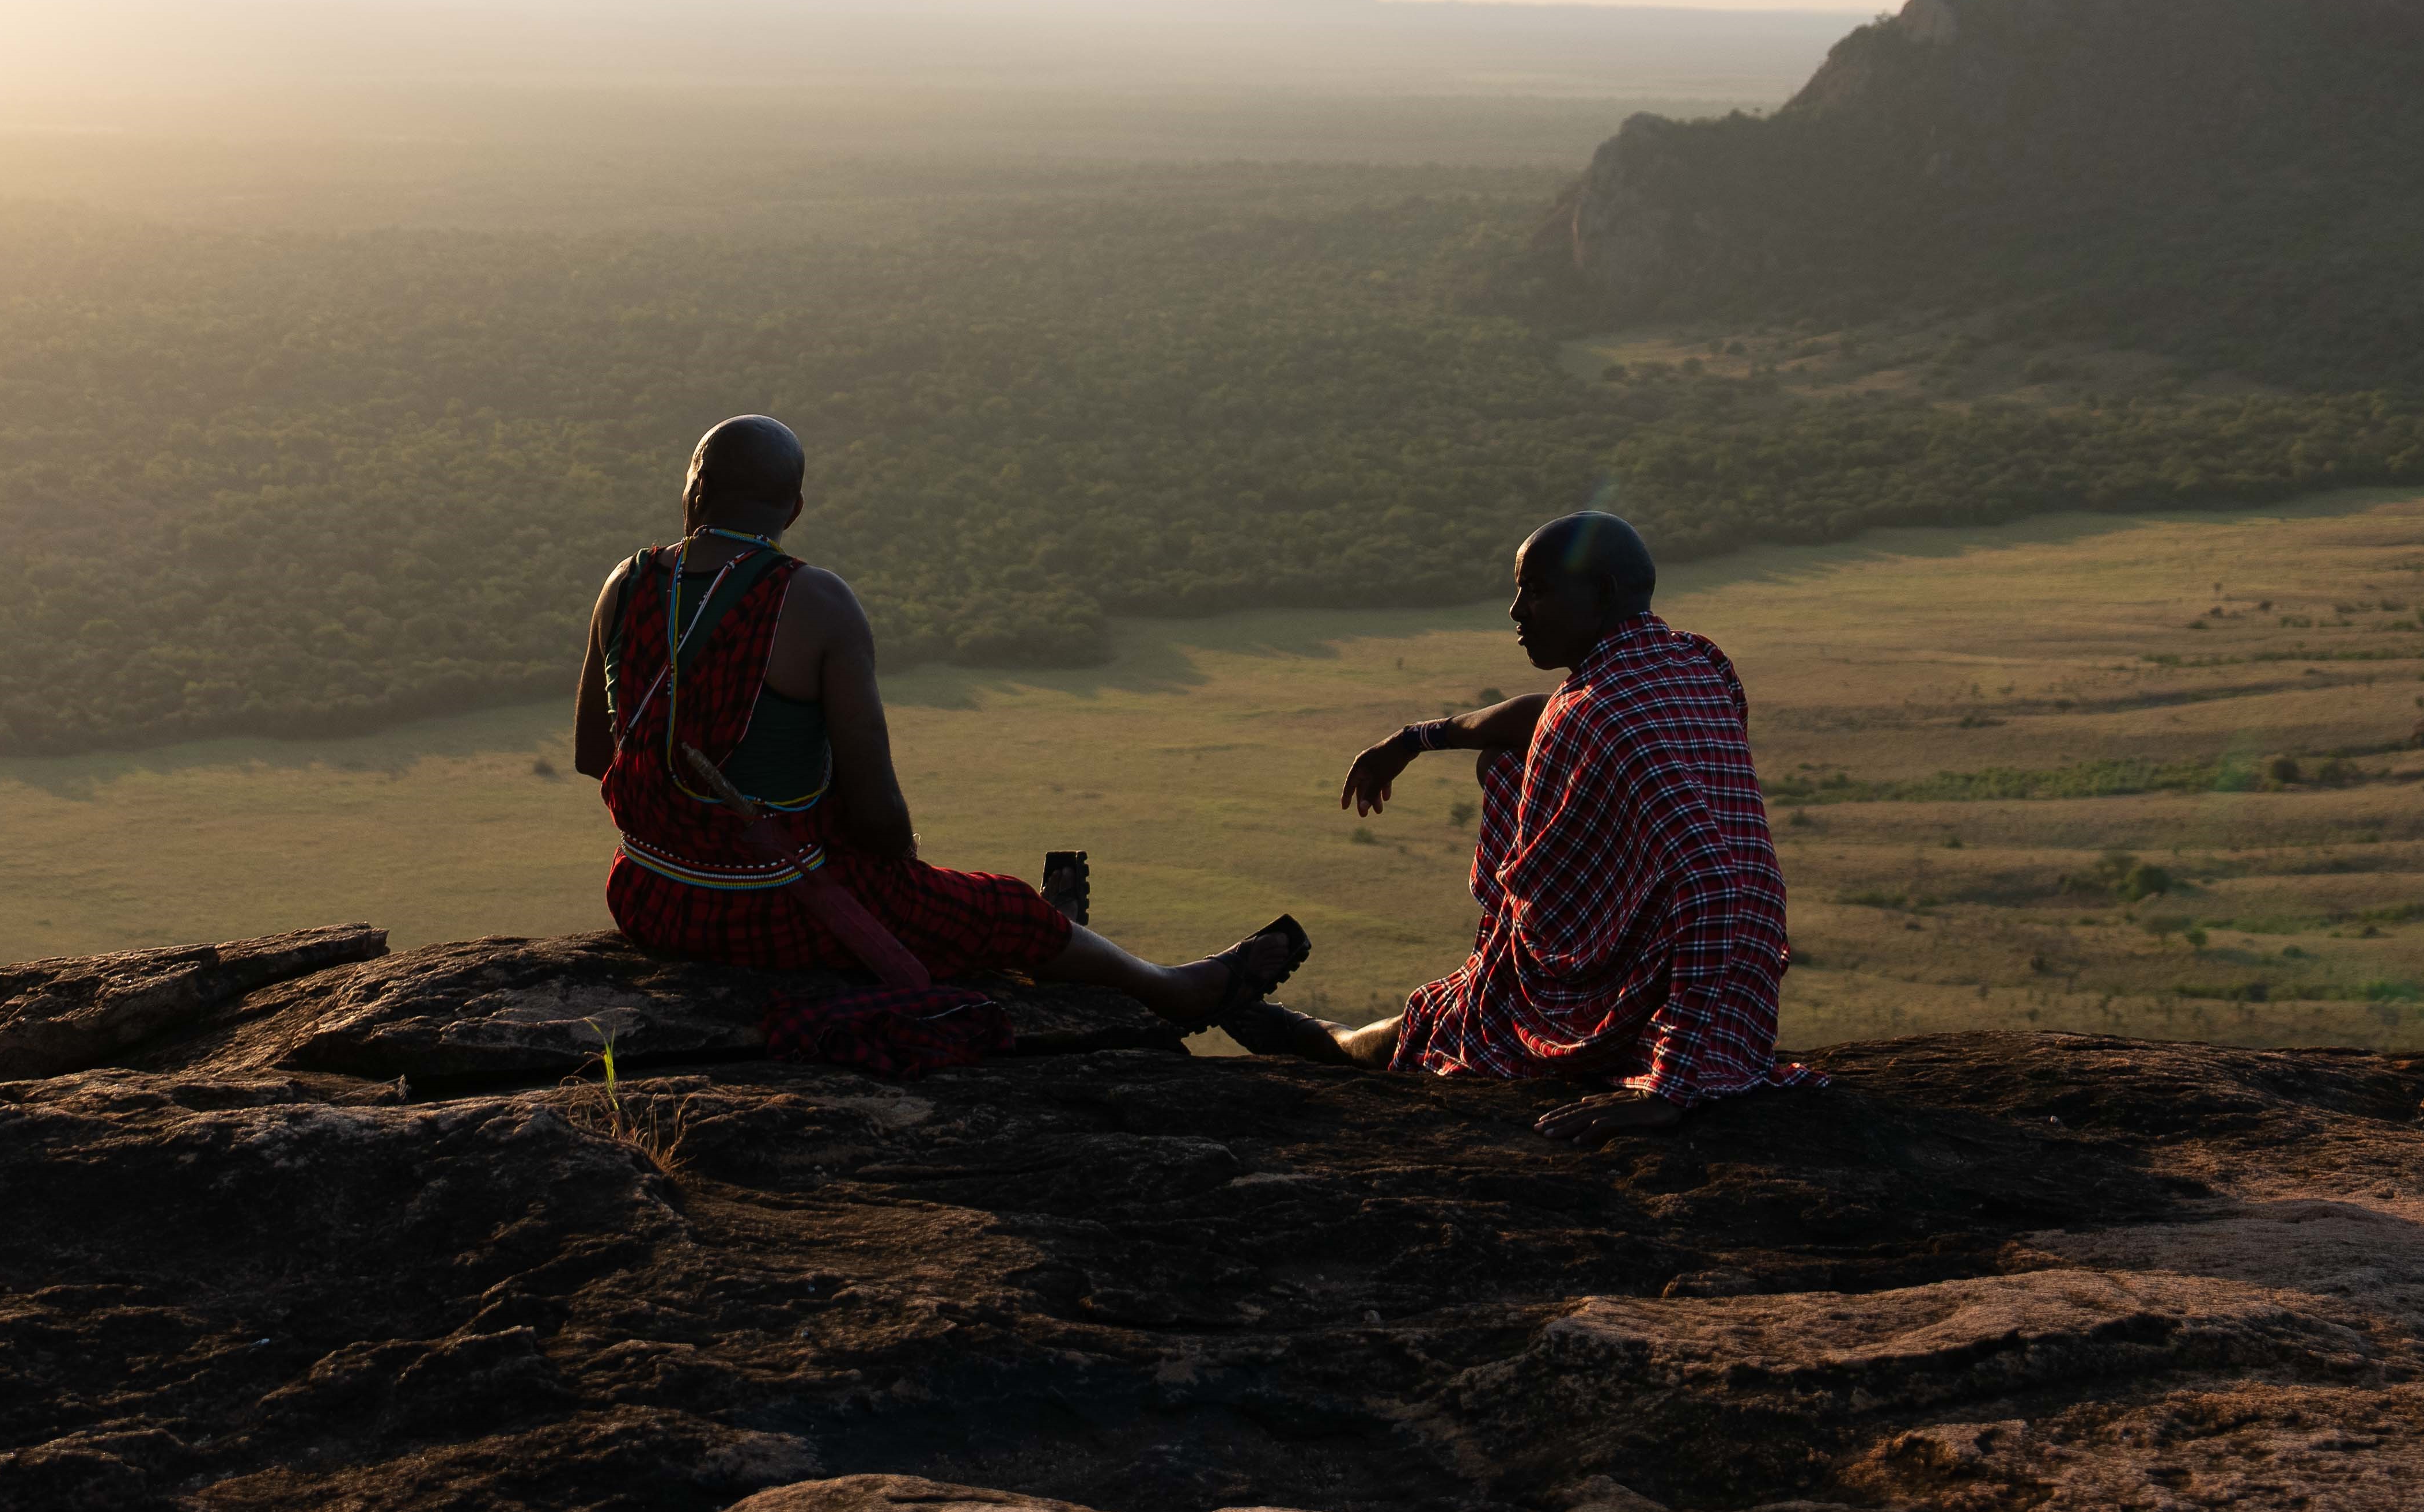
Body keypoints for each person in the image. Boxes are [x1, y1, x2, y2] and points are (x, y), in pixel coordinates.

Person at [576, 414, 1311, 1029]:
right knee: (1000, 908)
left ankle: (1060, 941)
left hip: (648, 894)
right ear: (794, 510)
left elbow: (592, 755)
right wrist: (904, 878)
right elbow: (878, 814)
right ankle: (1171, 989)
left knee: (941, 908)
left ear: (691, 490)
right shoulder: (816, 601)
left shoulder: (626, 582)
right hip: (766, 906)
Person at [1290, 510, 1816, 1140]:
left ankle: (1277, 1018)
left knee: (1436, 1026)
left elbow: (1711, 886)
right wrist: (1414, 739)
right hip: (1737, 1001)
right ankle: (1264, 1009)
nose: (1516, 612)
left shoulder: (1600, 717)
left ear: (1603, 595)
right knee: (1511, 758)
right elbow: (1537, 717)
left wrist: (1669, 1090)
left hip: (1657, 1006)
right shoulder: (1699, 662)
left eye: (1536, 591)